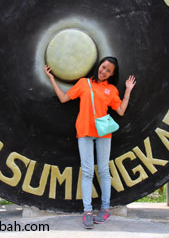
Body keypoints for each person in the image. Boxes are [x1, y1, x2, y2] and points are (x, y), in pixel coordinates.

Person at [44, 56, 136, 229]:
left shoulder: (111, 90)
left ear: (112, 74)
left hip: (103, 133)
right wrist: (52, 79)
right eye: (103, 67)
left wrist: (128, 90)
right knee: (87, 172)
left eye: (108, 71)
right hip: (84, 132)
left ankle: (105, 208)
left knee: (103, 170)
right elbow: (64, 98)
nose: (104, 72)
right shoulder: (83, 83)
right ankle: (87, 211)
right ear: (98, 66)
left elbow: (121, 111)